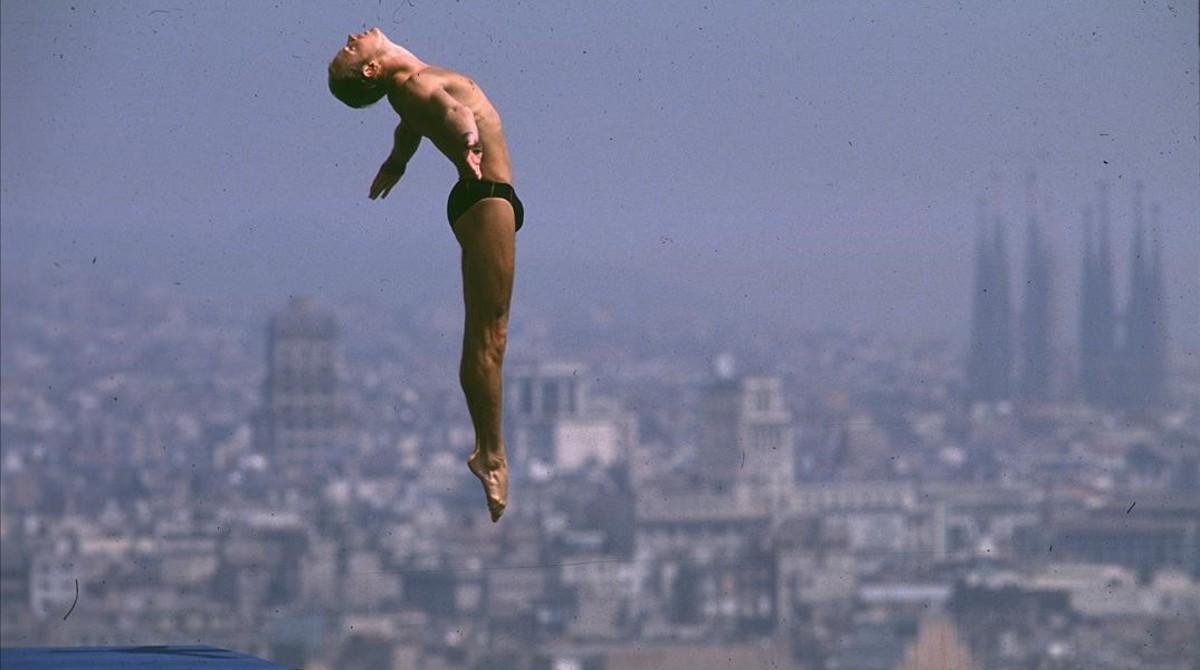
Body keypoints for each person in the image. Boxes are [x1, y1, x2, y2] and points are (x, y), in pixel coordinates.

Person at [329, 28, 521, 522]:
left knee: (485, 334)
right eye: (351, 49)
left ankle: (489, 449)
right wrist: (468, 138)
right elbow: (449, 111)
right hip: (487, 197)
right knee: (488, 337)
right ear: (371, 69)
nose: (353, 37)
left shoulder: (405, 87)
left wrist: (397, 162)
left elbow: (411, 126)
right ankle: (491, 455)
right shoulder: (413, 84)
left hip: (484, 198)